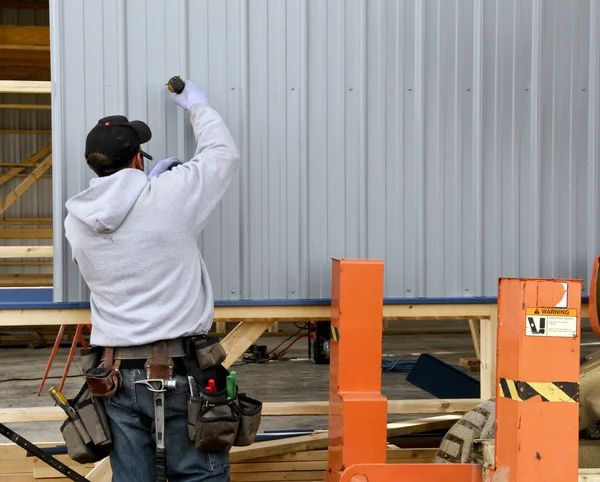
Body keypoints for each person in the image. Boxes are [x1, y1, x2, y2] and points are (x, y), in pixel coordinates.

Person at [64, 79, 240, 481]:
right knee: (200, 474)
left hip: (115, 377)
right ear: (139, 160)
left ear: (93, 166)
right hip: (181, 369)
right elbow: (221, 154)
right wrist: (197, 105)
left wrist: (145, 187)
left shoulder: (75, 220)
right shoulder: (170, 193)